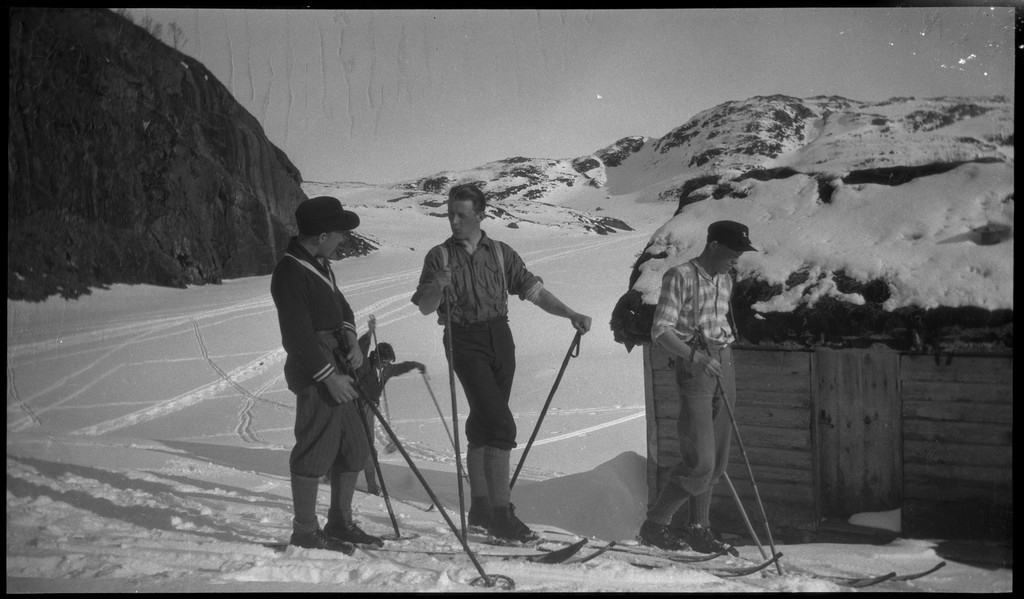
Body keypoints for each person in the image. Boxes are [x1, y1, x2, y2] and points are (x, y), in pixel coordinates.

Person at [411, 184, 592, 543]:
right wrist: (437, 286)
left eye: (461, 215)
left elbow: (533, 290)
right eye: (450, 214)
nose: (454, 221)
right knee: (500, 425)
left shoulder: (500, 252)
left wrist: (570, 313)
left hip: (499, 337)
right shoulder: (439, 256)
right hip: (463, 339)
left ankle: (480, 510)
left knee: (484, 423)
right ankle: (500, 515)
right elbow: (426, 307)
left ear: (481, 215)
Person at [270, 195, 384, 553]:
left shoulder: (320, 263)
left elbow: (342, 308)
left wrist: (350, 338)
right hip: (316, 371)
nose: (342, 239)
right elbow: (296, 337)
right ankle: (305, 531)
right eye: (339, 233)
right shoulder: (290, 272)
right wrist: (328, 377)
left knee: (355, 445)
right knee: (316, 446)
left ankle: (340, 522)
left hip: (340, 363)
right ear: (321, 236)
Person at [637, 220, 757, 555]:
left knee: (717, 461)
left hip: (724, 362)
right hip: (696, 366)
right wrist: (695, 357)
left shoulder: (725, 278)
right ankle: (654, 526)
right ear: (714, 245)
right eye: (733, 251)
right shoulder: (680, 276)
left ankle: (698, 529)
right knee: (700, 461)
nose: (737, 259)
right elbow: (661, 331)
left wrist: (718, 355)